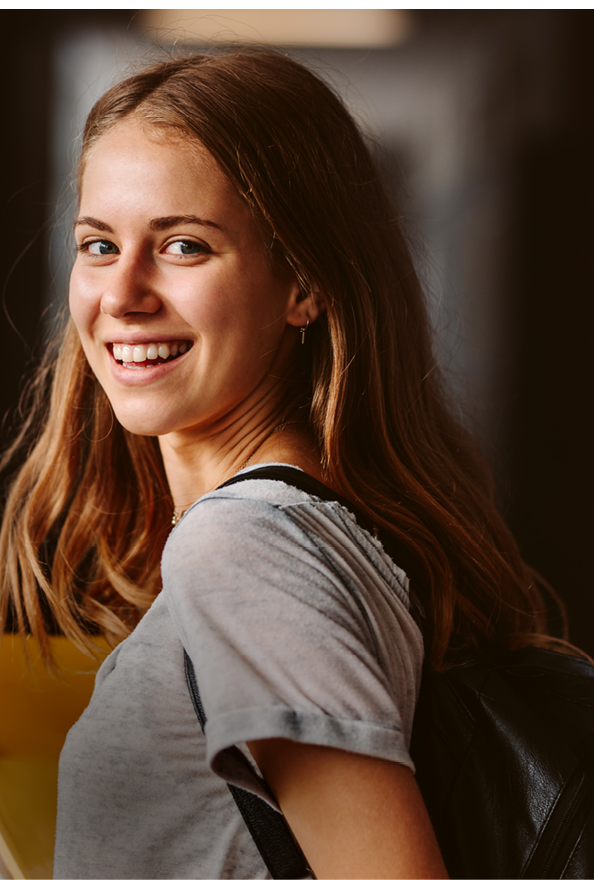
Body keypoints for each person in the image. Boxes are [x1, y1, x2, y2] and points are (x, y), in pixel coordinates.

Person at [0, 47, 563, 880]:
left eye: (184, 245)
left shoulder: (247, 549)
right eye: (98, 244)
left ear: (301, 282)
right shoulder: (297, 537)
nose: (122, 294)